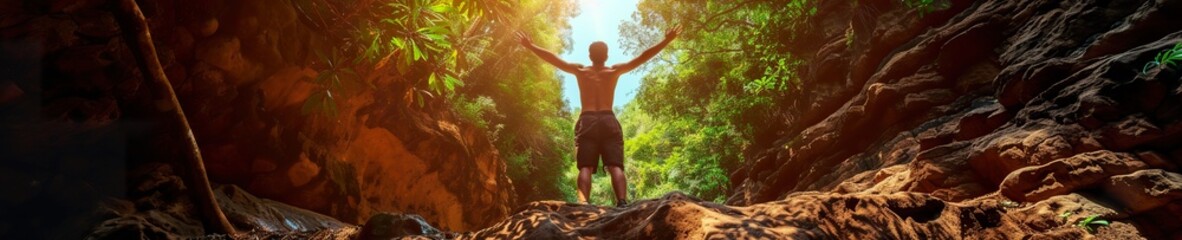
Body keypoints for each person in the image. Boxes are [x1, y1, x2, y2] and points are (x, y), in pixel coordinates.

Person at [515, 25, 682, 207]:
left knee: (585, 166)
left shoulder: (580, 71)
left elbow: (555, 60)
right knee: (615, 166)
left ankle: (584, 203)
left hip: (587, 120)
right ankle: (622, 202)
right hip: (608, 120)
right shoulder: (613, 71)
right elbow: (641, 58)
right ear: (607, 56)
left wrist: (530, 46)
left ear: (589, 56)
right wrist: (667, 40)